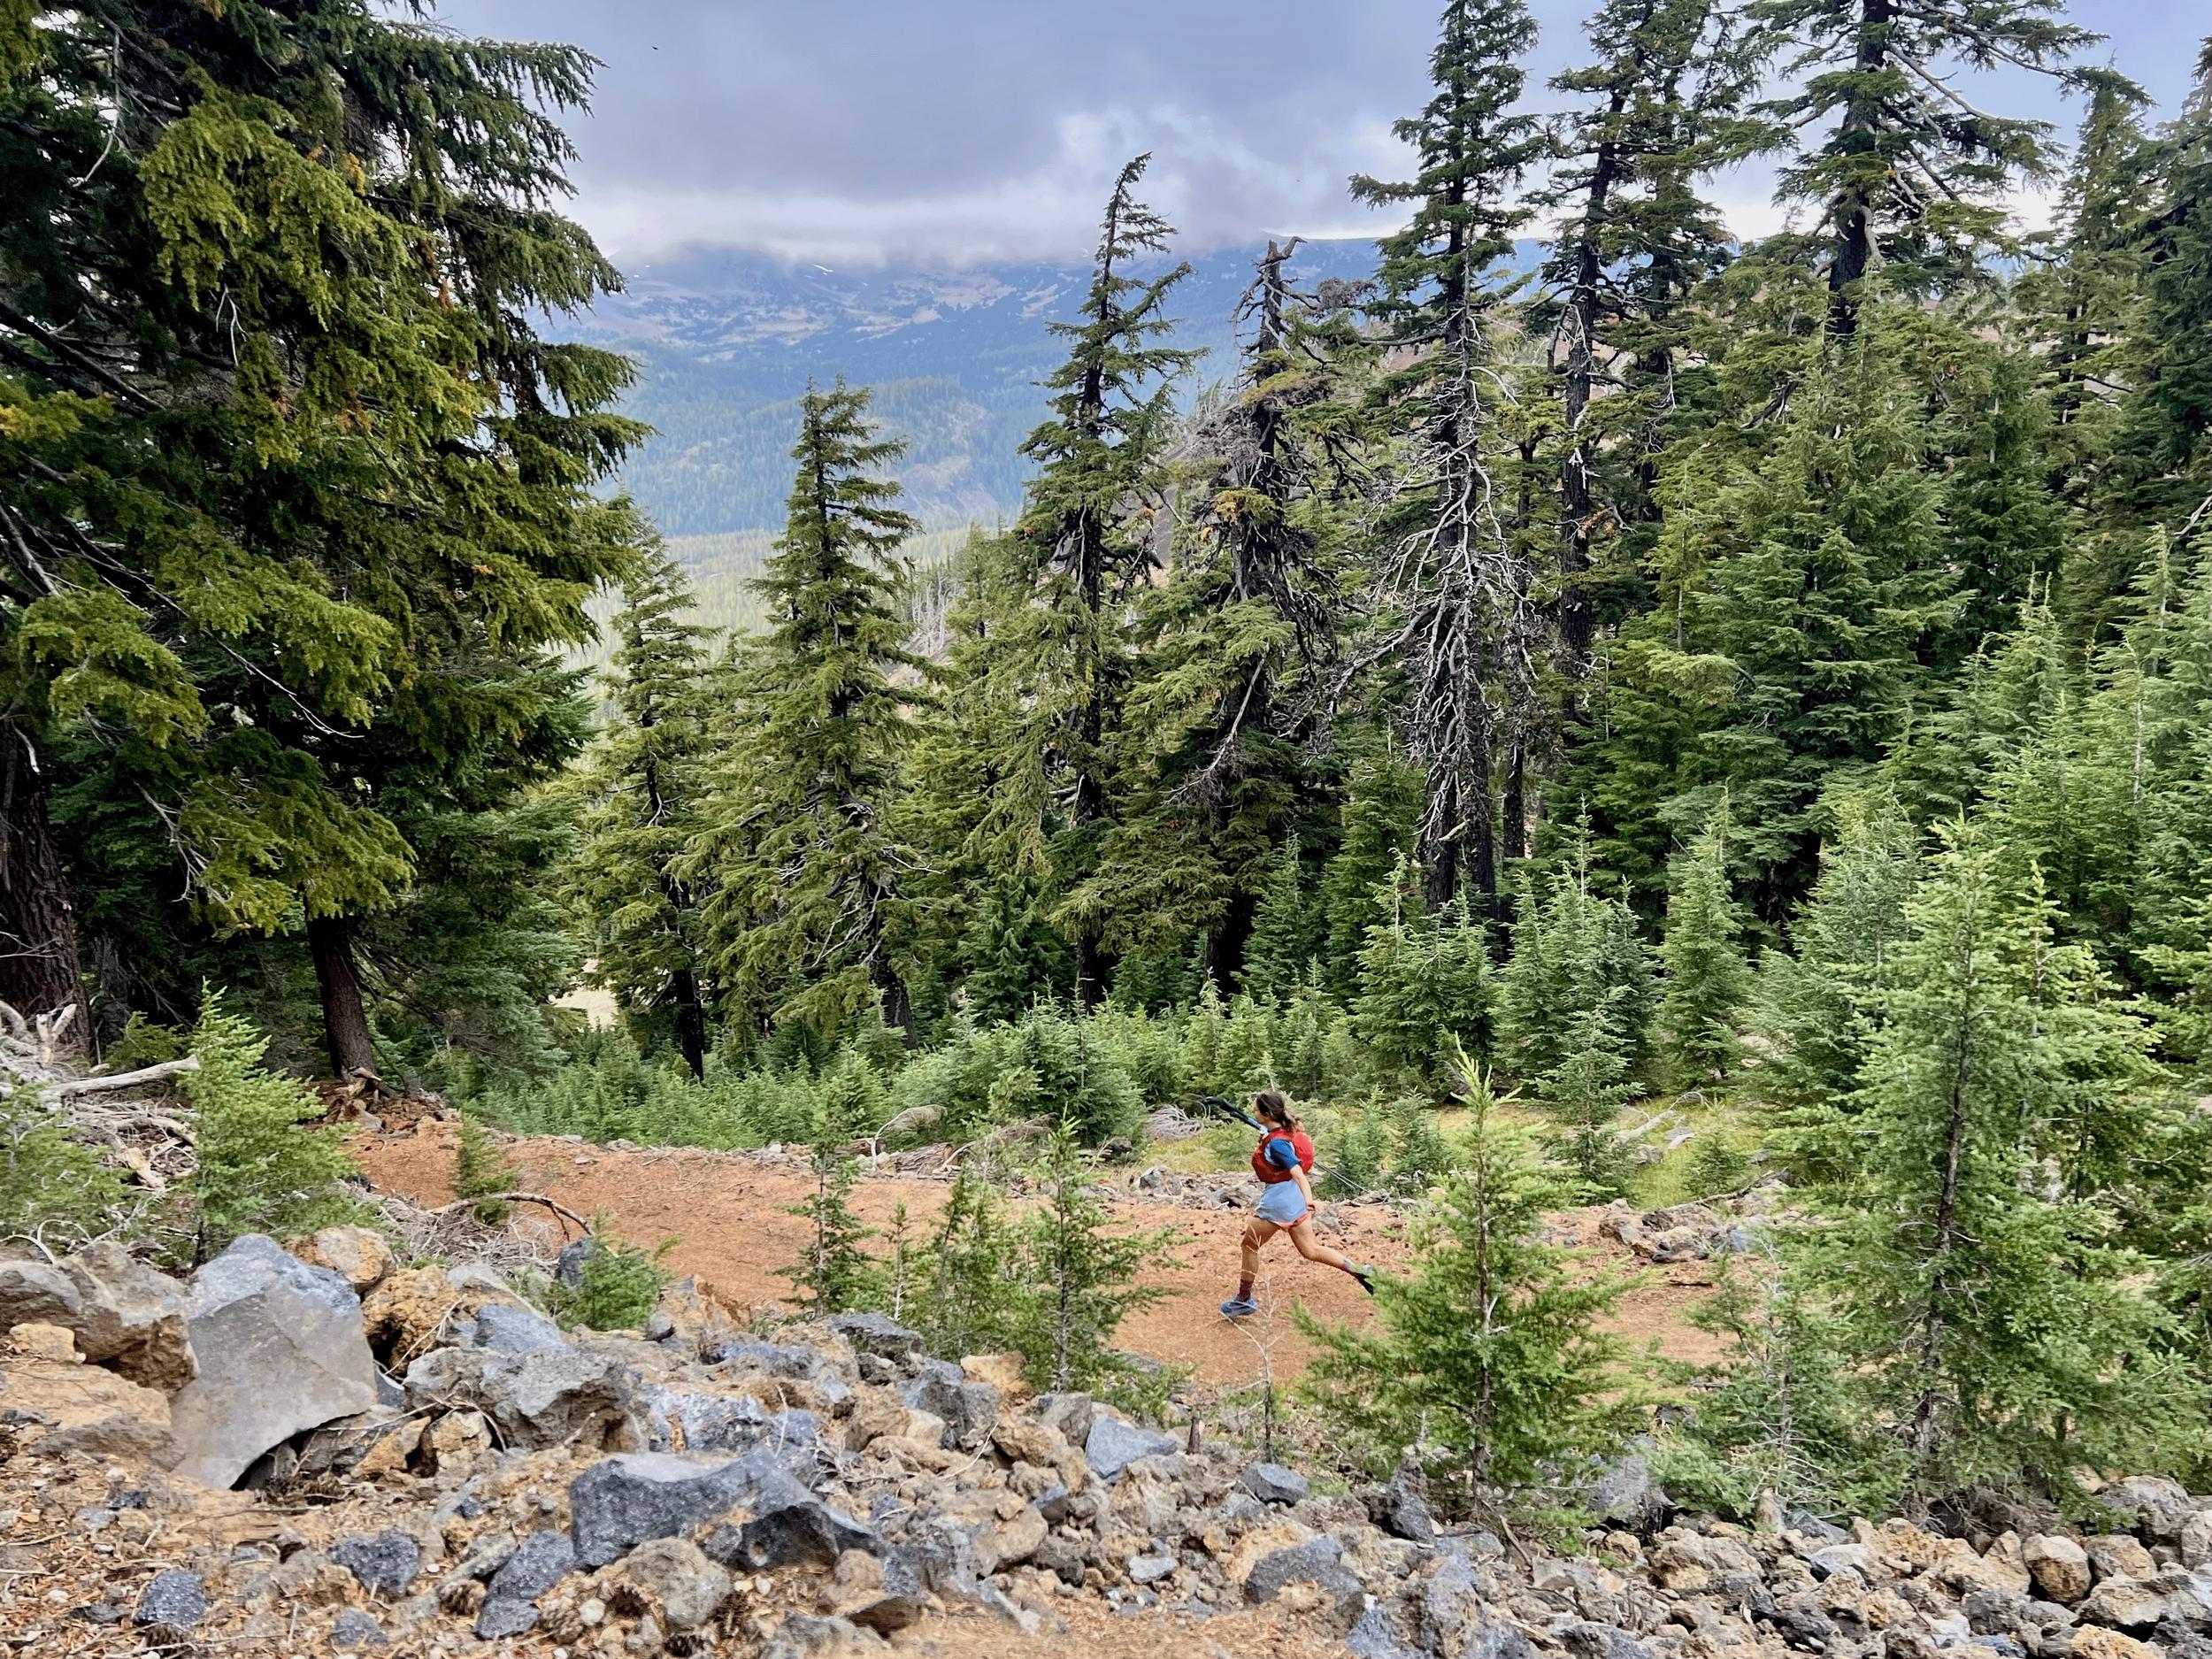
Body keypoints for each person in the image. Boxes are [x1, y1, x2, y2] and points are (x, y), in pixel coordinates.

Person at [1220, 1088, 1374, 1317]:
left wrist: (1311, 1199)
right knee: (1311, 1250)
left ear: (1268, 1113)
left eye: (1256, 1108)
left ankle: (1243, 1299)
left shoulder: (1278, 1145)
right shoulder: (1280, 1130)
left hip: (1278, 1203)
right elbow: (1254, 1122)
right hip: (1295, 1200)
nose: (1252, 1111)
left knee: (1249, 1246)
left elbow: (1298, 1173)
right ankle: (1362, 1272)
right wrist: (1227, 1107)